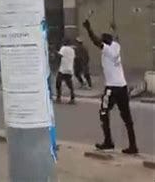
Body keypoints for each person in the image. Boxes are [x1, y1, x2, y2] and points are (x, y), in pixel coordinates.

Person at [83, 19, 138, 154]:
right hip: (123, 86)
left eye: (102, 39)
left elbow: (95, 41)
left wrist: (89, 29)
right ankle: (133, 146)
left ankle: (108, 142)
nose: (100, 40)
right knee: (127, 117)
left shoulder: (107, 50)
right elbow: (115, 38)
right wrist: (114, 28)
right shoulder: (116, 46)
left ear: (105, 42)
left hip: (112, 88)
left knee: (103, 112)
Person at [55, 38, 76, 104]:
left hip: (62, 69)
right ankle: (72, 98)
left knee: (58, 83)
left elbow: (60, 56)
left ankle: (58, 97)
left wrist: (55, 52)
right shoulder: (72, 50)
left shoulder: (63, 48)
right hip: (69, 69)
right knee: (70, 85)